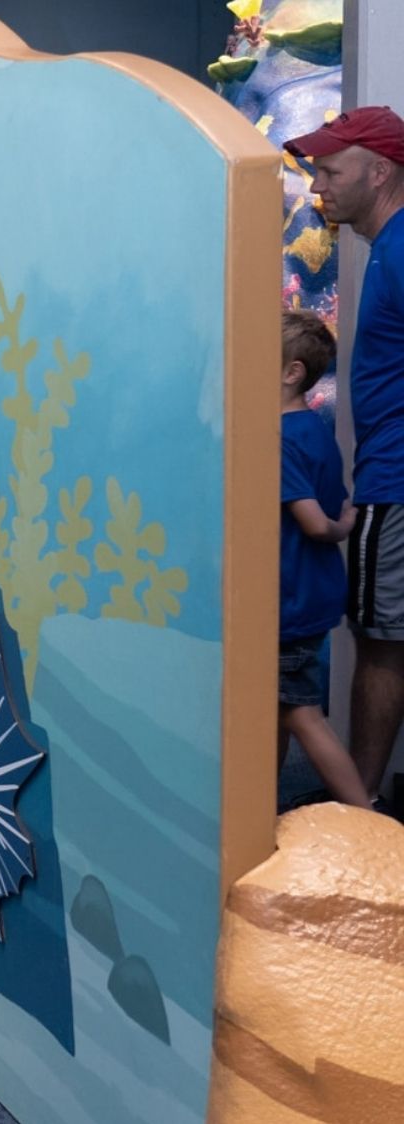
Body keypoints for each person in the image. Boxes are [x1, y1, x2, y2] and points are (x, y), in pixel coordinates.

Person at [287, 106, 404, 802]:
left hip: (395, 481)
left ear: (379, 170)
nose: (318, 186)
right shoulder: (387, 248)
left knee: (382, 639)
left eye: (331, 170)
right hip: (387, 476)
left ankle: (356, 810)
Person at [279, 311, 375, 810]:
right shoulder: (315, 430)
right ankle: (260, 814)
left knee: (301, 714)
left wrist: (341, 527)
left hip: (288, 601)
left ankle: (368, 817)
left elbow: (318, 523)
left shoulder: (277, 438)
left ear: (291, 372)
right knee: (276, 710)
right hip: (311, 595)